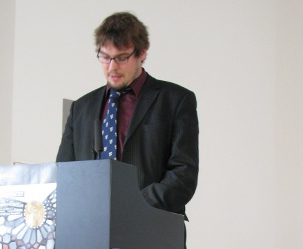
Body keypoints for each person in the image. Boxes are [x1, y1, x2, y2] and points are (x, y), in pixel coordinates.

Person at [56, 11, 199, 219]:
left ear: (142, 53)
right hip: (91, 226)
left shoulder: (176, 100)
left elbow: (183, 175)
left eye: (122, 58)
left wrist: (133, 207)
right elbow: (64, 174)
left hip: (153, 226)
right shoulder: (80, 108)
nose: (112, 67)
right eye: (105, 57)